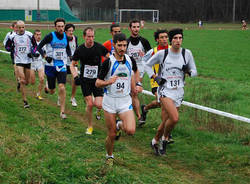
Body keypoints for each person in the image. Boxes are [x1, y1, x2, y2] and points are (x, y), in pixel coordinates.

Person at [144, 28, 197, 156]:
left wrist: (188, 71)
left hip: (179, 91)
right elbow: (146, 65)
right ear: (171, 40)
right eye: (175, 38)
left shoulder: (186, 53)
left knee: (167, 120)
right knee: (174, 118)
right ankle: (164, 139)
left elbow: (195, 72)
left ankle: (155, 140)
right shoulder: (163, 54)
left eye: (180, 38)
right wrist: (155, 77)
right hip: (165, 90)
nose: (178, 41)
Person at [95, 33, 140, 166]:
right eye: (119, 45)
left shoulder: (130, 60)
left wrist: (137, 84)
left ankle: (120, 124)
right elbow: (97, 83)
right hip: (110, 101)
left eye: (124, 45)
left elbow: (135, 71)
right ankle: (109, 155)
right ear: (114, 45)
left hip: (125, 100)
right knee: (112, 133)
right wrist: (108, 82)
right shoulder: (108, 62)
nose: (122, 48)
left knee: (131, 130)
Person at [70, 27, 109, 135]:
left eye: (92, 36)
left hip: (97, 81)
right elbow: (72, 65)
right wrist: (75, 77)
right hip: (85, 80)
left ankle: (98, 109)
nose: (90, 39)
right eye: (88, 37)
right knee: (90, 104)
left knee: (99, 104)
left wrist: (106, 70)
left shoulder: (99, 47)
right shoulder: (80, 49)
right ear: (84, 37)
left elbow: (110, 58)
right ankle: (90, 126)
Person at [37, 18, 72, 119]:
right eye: (59, 26)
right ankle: (48, 87)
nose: (61, 28)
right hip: (50, 66)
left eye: (62, 26)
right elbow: (39, 47)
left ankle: (62, 112)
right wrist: (45, 56)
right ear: (55, 27)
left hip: (61, 65)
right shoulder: (50, 36)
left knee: (61, 87)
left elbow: (67, 49)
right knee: (52, 91)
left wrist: (70, 56)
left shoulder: (66, 36)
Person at [139, 29, 169, 126]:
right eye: (162, 37)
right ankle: (165, 129)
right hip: (156, 82)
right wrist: (152, 75)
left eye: (166, 37)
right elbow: (143, 61)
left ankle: (145, 109)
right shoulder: (153, 51)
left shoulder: (173, 49)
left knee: (160, 103)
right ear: (157, 40)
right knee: (164, 103)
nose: (164, 39)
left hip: (169, 82)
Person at [5, 20, 34, 108]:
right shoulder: (12, 36)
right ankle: (25, 101)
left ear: (25, 27)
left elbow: (35, 45)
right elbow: (7, 46)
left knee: (27, 81)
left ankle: (21, 86)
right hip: (18, 60)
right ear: (16, 28)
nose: (21, 29)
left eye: (23, 27)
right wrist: (10, 48)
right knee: (22, 79)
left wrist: (32, 52)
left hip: (28, 60)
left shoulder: (29, 35)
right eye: (19, 27)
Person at [127, 19, 151, 120]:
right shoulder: (127, 42)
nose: (136, 29)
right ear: (130, 28)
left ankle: (139, 116)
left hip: (140, 68)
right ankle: (136, 114)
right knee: (131, 92)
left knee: (135, 92)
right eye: (134, 27)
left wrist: (144, 55)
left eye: (137, 27)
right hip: (129, 68)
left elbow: (152, 56)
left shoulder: (144, 41)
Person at [65, 23, 78, 107]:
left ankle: (72, 97)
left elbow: (76, 47)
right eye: (69, 31)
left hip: (73, 63)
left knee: (75, 79)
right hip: (64, 62)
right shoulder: (63, 38)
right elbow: (66, 48)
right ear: (65, 31)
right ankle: (60, 97)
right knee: (62, 81)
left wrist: (77, 56)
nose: (71, 32)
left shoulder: (75, 38)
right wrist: (69, 55)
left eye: (72, 31)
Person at [3, 21, 20, 91]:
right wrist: (7, 48)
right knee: (16, 68)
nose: (17, 28)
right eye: (15, 27)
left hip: (22, 55)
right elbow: (5, 42)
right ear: (12, 28)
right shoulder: (9, 34)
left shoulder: (22, 34)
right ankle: (18, 82)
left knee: (21, 69)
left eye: (18, 27)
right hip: (14, 53)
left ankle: (18, 74)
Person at [30, 29, 45, 100]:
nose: (39, 36)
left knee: (42, 79)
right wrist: (32, 54)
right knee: (32, 82)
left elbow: (45, 53)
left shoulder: (43, 43)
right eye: (37, 35)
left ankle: (38, 94)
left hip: (40, 62)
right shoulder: (30, 43)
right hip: (32, 63)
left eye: (40, 34)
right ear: (34, 35)